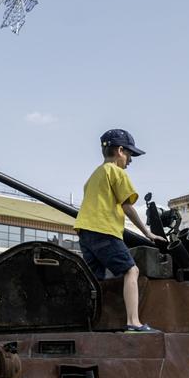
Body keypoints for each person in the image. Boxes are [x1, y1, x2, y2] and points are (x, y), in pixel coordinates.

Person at [73, 128, 165, 332]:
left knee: (96, 280)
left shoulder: (94, 176)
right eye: (130, 155)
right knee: (131, 270)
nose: (130, 161)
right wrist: (147, 233)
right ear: (120, 151)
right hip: (105, 230)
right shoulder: (116, 172)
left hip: (85, 234)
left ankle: (90, 323)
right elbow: (127, 206)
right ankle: (133, 322)